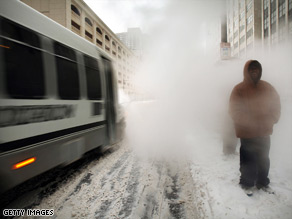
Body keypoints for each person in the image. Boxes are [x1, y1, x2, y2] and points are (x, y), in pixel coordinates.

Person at [229, 60, 281, 193]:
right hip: (247, 133)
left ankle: (262, 183)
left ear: (260, 71)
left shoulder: (267, 87)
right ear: (246, 71)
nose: (254, 71)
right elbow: (234, 111)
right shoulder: (238, 89)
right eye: (251, 69)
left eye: (256, 69)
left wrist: (271, 120)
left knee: (264, 159)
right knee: (248, 160)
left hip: (264, 132)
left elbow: (276, 106)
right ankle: (246, 184)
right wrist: (249, 123)